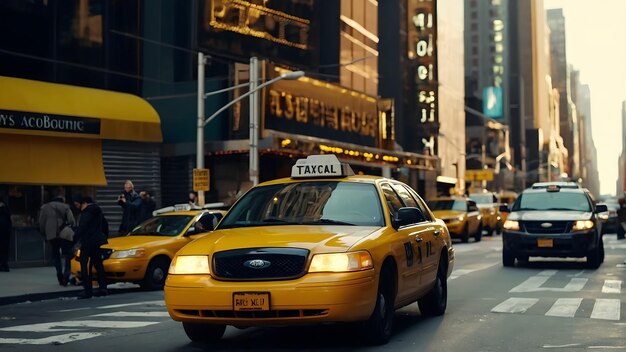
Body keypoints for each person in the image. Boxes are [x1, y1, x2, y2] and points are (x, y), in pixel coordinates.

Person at [74, 196, 108, 299]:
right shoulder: (98, 211)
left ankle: (87, 290)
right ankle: (103, 288)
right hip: (97, 242)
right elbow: (105, 225)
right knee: (98, 264)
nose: (77, 207)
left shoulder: (87, 212)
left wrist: (74, 238)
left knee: (84, 264)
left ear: (83, 203)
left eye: (77, 204)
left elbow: (82, 228)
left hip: (88, 242)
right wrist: (103, 236)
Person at [39, 195, 76, 286]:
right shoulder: (65, 206)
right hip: (65, 234)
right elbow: (72, 220)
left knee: (55, 255)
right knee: (68, 254)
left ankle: (59, 275)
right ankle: (66, 275)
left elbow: (41, 222)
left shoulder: (45, 207)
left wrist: (43, 232)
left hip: (51, 235)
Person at [0, 201, 11, 272]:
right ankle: (5, 265)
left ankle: (2, 265)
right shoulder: (7, 213)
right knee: (5, 251)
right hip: (5, 235)